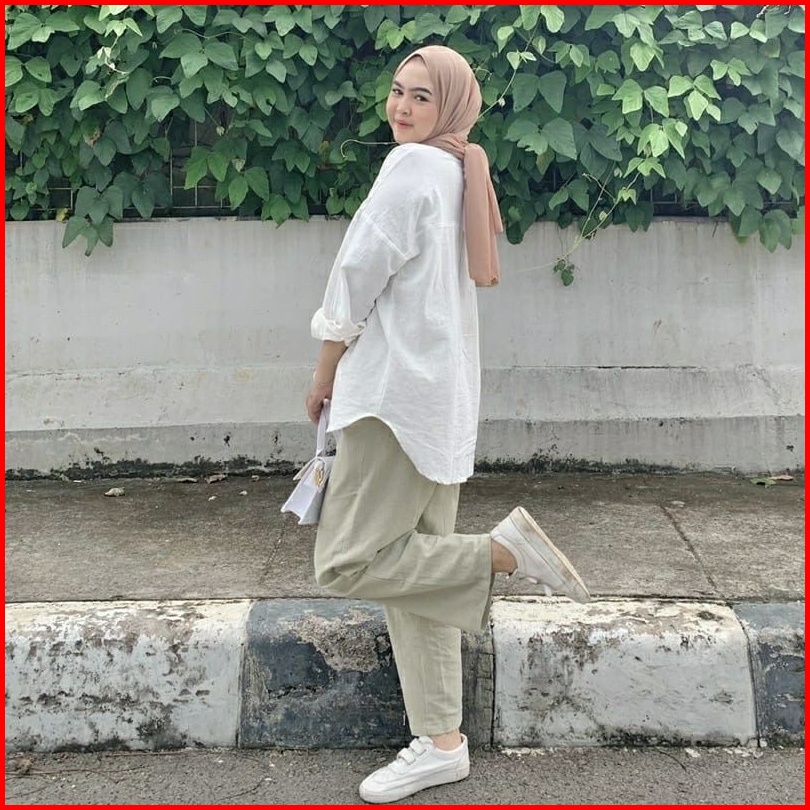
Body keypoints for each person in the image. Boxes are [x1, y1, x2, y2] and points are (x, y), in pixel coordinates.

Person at [305, 44, 590, 804]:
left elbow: (356, 275)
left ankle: (503, 553)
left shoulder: (412, 168)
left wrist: (325, 368)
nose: (402, 107)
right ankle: (441, 744)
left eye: (422, 97)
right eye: (398, 91)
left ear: (452, 108)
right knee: (418, 578)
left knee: (347, 560)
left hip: (391, 400)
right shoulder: (458, 171)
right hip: (439, 403)